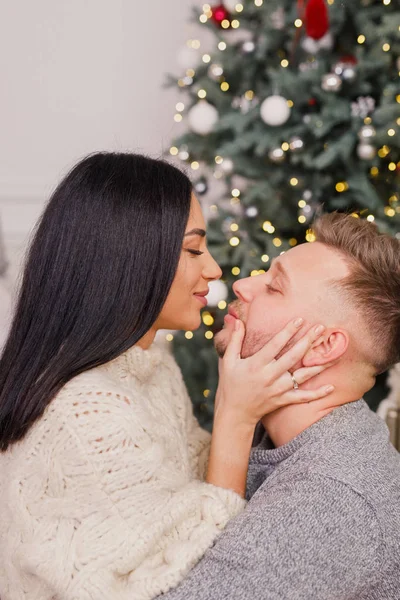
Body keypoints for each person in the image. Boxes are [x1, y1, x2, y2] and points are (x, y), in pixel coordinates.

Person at [0, 153, 333, 600]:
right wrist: (235, 415)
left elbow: (184, 482)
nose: (214, 270)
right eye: (194, 249)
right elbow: (200, 584)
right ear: (129, 259)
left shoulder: (149, 361)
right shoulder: (87, 410)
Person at [160, 212, 400, 600]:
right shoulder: (284, 439)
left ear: (323, 347)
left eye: (274, 287)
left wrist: (231, 414)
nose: (241, 284)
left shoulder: (330, 500)